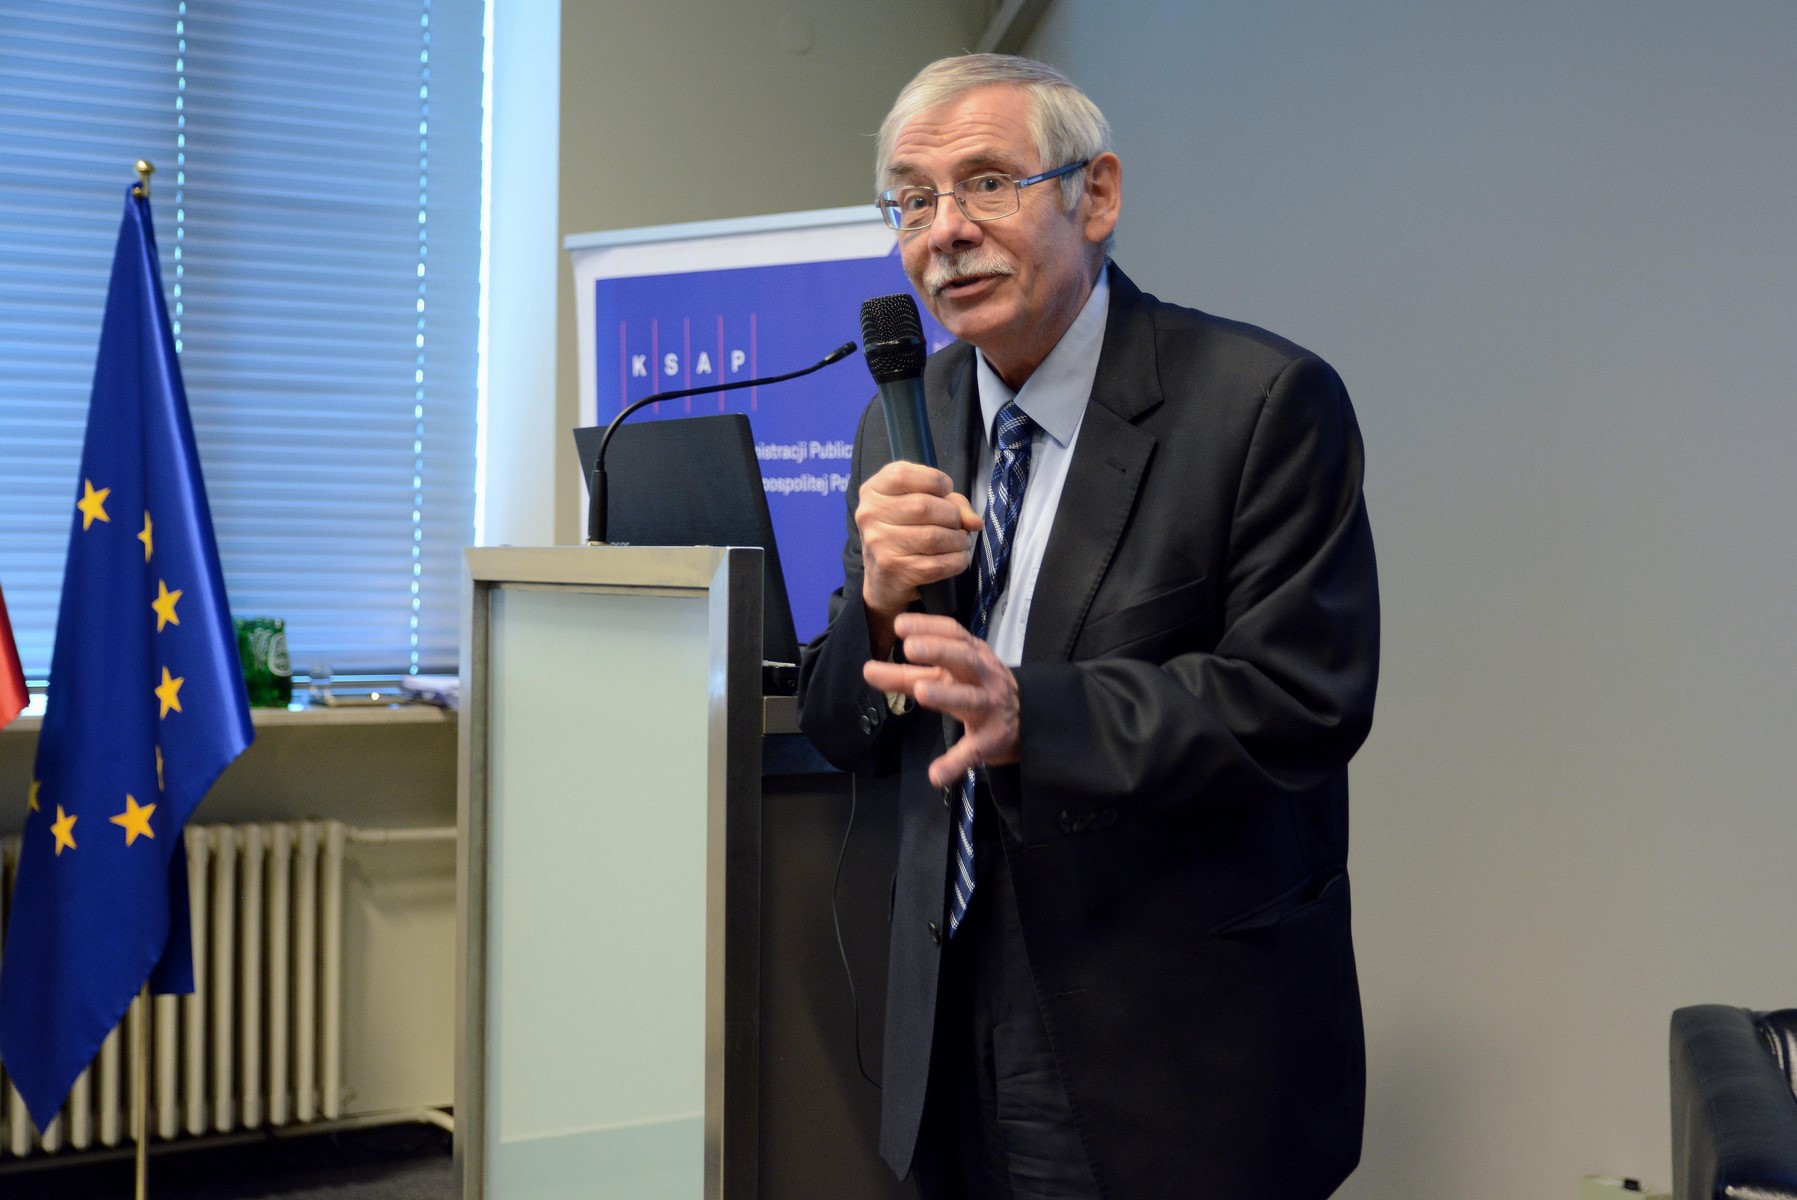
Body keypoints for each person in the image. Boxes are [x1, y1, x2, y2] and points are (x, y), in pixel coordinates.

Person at [797, 53, 1379, 1200]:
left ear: (1094, 196)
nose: (946, 231)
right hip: (947, 1011)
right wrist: (879, 602)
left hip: (1166, 1033)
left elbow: (1301, 701)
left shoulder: (1260, 402)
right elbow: (839, 721)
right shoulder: (904, 417)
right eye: (912, 200)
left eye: (987, 183)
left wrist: (1031, 713)